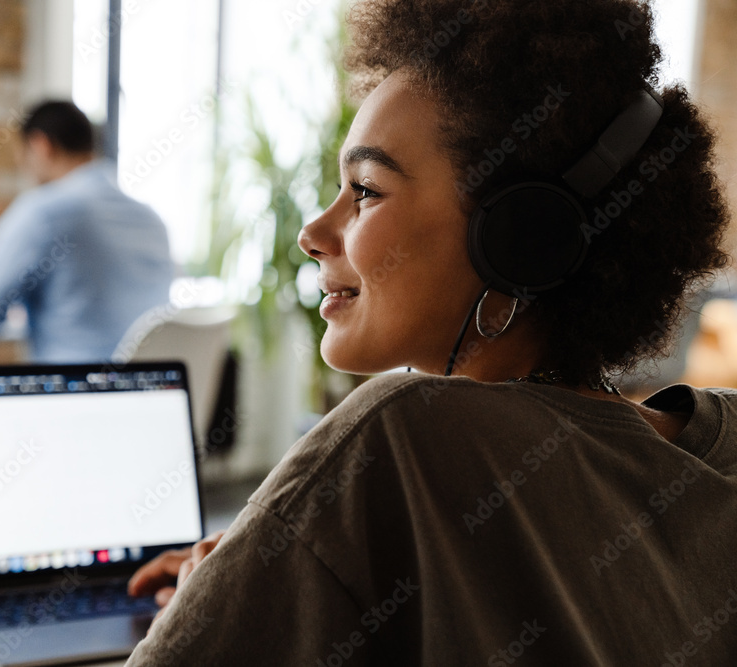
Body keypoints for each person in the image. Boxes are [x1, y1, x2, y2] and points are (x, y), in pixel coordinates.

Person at [123, 0, 737, 664]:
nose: (312, 233)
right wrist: (285, 569)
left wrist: (207, 607)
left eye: (365, 190)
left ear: (522, 239)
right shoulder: (717, 443)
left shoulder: (399, 432)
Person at [0, 100, 175, 362]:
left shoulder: (44, 213)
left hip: (72, 394)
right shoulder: (152, 219)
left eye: (22, 156)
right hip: (154, 394)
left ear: (41, 146)